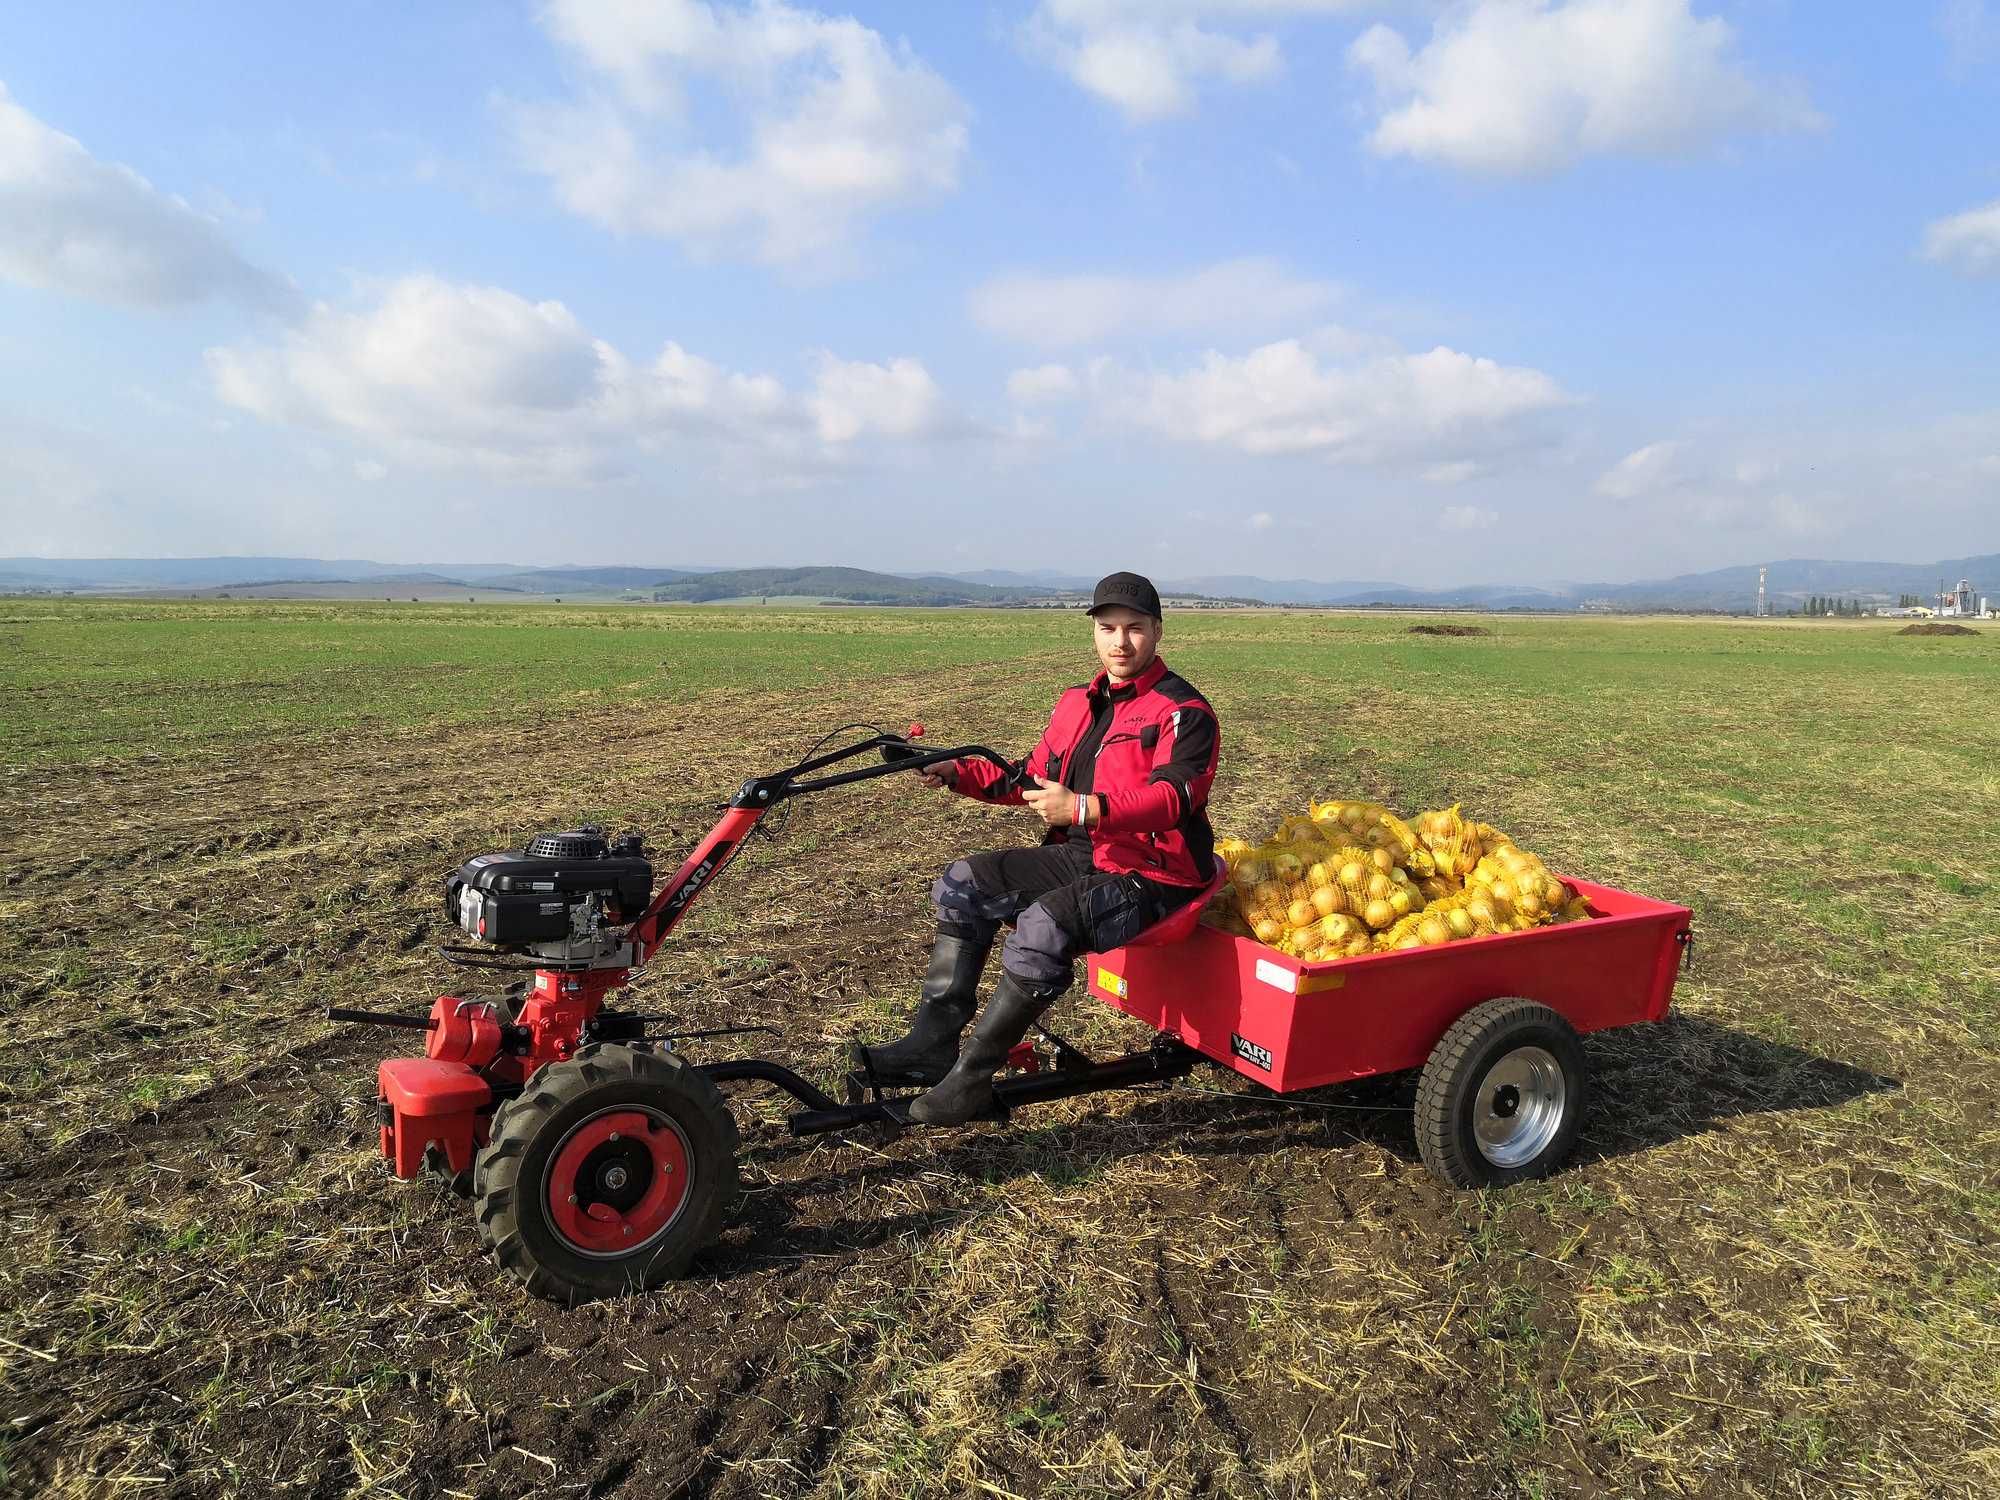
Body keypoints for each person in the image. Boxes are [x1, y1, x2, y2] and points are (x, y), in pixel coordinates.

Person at [855, 571, 1222, 1125]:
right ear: (1094, 633)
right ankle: (932, 1047)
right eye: (1108, 628)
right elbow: (1028, 778)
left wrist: (1085, 808)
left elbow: (1176, 797)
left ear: (1158, 631)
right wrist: (956, 771)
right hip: (1083, 856)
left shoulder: (1183, 711)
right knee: (962, 884)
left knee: (1045, 926)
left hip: (1156, 873)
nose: (1120, 642)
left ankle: (970, 1083)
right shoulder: (1077, 703)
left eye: (1135, 629)